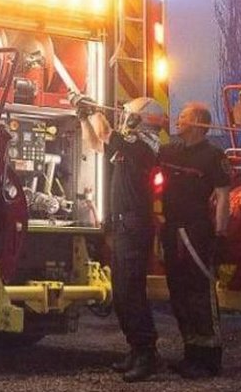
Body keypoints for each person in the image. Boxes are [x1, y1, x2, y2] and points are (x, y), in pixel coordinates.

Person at [70, 92, 166, 382]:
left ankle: (147, 353)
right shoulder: (129, 144)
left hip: (135, 226)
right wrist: (85, 117)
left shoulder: (145, 146)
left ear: (140, 118)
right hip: (124, 225)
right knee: (122, 293)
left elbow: (108, 134)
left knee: (131, 292)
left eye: (130, 114)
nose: (125, 117)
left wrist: (93, 109)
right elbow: (96, 144)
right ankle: (136, 350)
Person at [158, 102, 232, 379]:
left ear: (199, 123)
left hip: (197, 232)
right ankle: (191, 353)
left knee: (199, 294)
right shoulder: (170, 151)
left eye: (184, 116)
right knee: (178, 293)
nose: (179, 119)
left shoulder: (213, 156)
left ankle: (210, 359)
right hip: (172, 230)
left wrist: (220, 234)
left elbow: (224, 197)